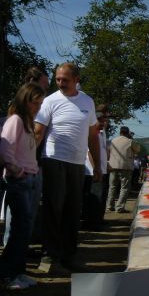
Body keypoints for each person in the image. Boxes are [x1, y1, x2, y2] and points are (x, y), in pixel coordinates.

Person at [34, 62, 101, 273]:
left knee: (73, 210)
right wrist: (28, 159)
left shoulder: (87, 102)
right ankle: (49, 257)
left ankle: (68, 255)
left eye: (65, 80)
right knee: (53, 208)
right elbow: (38, 133)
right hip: (54, 159)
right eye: (58, 79)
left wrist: (97, 164)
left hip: (77, 163)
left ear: (76, 80)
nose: (60, 83)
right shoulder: (49, 101)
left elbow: (93, 136)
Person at [0, 83, 45, 290]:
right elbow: (6, 147)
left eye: (40, 103)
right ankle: (8, 274)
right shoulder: (16, 120)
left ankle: (17, 271)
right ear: (24, 100)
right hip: (19, 179)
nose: (37, 107)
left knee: (24, 228)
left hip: (27, 178)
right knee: (20, 228)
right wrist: (16, 169)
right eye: (34, 102)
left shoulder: (27, 121)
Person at [106, 126, 140, 213]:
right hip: (125, 167)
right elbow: (137, 150)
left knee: (112, 187)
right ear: (128, 133)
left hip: (113, 166)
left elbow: (108, 151)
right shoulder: (130, 141)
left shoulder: (112, 140)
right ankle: (120, 207)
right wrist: (131, 138)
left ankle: (109, 205)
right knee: (124, 188)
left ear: (120, 132)